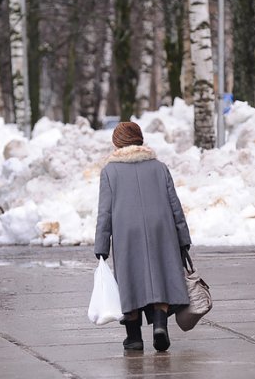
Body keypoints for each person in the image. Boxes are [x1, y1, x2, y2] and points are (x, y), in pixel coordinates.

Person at [94, 122, 191, 352]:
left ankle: (134, 337)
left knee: (130, 280)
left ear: (117, 143)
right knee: (161, 276)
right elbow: (174, 204)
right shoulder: (159, 167)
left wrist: (101, 245)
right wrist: (183, 237)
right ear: (140, 140)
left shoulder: (110, 171)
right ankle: (160, 325)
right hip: (161, 228)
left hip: (126, 231)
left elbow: (104, 211)